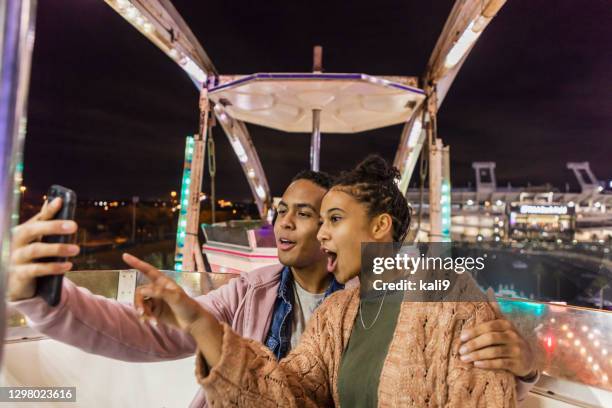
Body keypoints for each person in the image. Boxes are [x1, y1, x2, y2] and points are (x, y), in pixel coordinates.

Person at [124, 155, 539, 407]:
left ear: (380, 226)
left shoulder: (450, 298)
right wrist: (198, 322)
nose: (321, 233)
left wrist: (528, 365)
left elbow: (484, 393)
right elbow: (282, 393)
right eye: (320, 221)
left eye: (335, 220)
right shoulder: (338, 314)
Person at [8, 170, 342, 408]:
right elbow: (140, 331)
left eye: (304, 213)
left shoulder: (362, 302)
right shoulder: (249, 293)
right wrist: (43, 297)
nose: (284, 222)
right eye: (282, 210)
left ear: (328, 227)